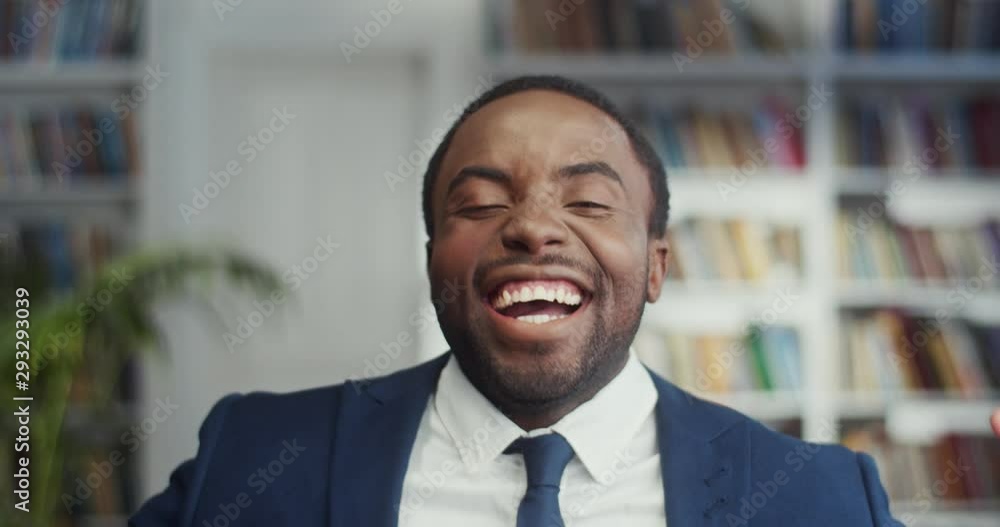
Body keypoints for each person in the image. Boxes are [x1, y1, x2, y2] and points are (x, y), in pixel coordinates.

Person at [130, 76, 993, 527]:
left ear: (655, 266)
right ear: (434, 263)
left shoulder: (820, 498)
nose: (533, 227)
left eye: (587, 201)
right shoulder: (254, 456)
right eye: (479, 203)